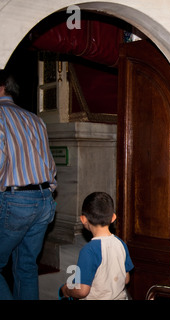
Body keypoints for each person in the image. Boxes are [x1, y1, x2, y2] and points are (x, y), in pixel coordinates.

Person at [0, 70, 57, 300]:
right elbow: (49, 164)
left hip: (16, 200)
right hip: (45, 200)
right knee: (27, 267)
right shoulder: (35, 118)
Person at [60, 192, 134, 300]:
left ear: (83, 219)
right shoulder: (121, 244)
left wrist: (67, 290)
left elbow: (82, 291)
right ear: (113, 217)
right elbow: (126, 279)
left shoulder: (89, 250)